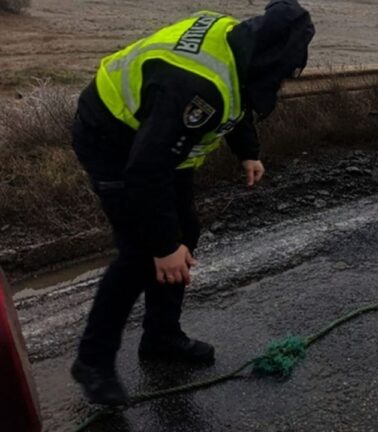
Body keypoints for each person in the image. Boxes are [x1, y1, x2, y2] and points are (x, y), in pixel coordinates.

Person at [69, 0, 315, 406]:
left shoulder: (239, 43)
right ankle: (92, 362)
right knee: (140, 252)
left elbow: (239, 97)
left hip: (159, 139)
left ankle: (162, 337)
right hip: (110, 136)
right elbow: (146, 172)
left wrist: (247, 152)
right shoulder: (197, 90)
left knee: (185, 232)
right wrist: (164, 247)